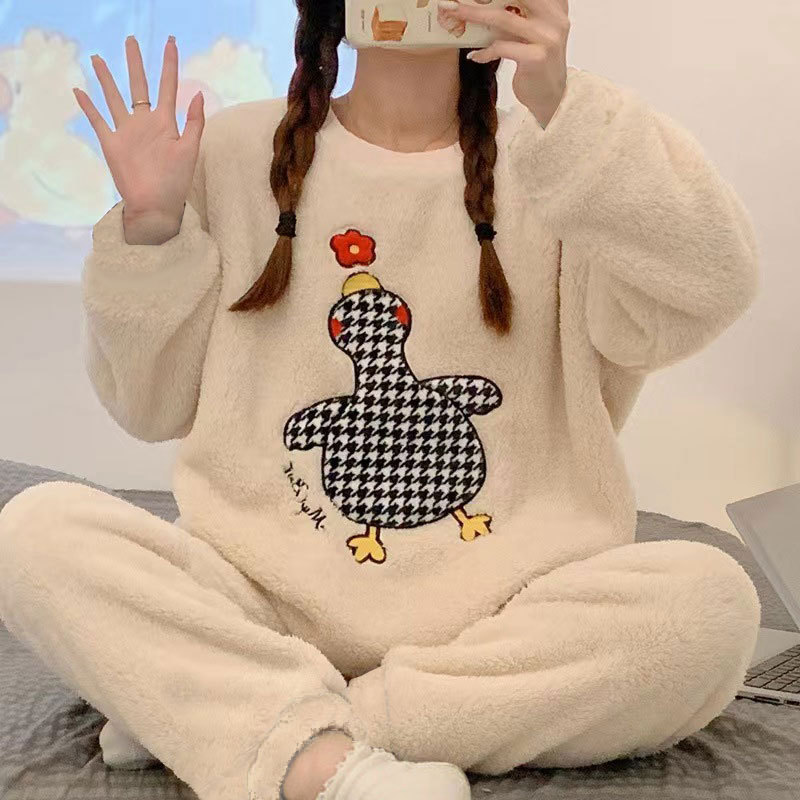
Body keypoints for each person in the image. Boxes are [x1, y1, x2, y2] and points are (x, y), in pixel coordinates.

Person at [0, 1, 763, 799]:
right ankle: (285, 739)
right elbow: (148, 404)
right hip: (260, 600)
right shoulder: (231, 153)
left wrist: (564, 104)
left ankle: (245, 717)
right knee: (36, 532)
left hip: (502, 619)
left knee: (705, 609)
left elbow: (711, 282)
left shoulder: (559, 164)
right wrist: (152, 228)